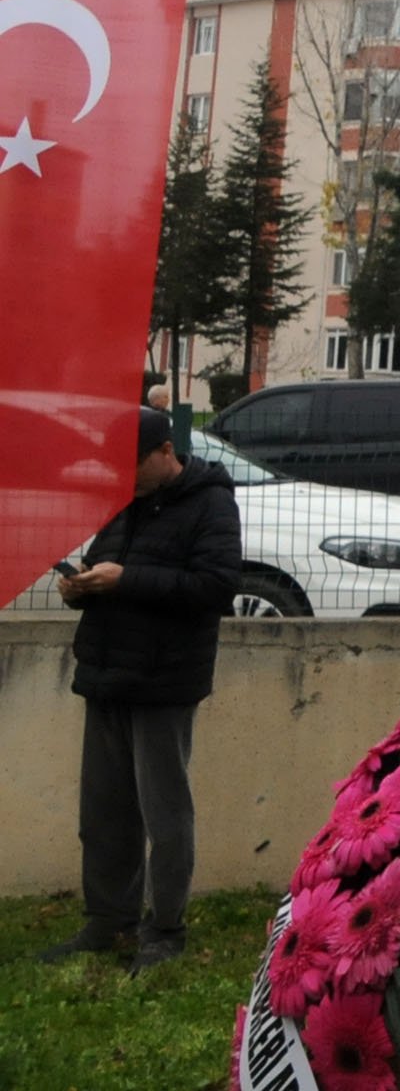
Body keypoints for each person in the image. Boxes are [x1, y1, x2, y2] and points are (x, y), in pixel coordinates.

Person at [41, 405, 240, 971]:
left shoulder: (211, 503)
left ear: (165, 453)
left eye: (132, 466)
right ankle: (107, 920)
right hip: (107, 673)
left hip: (164, 679)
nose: (123, 478)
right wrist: (80, 587)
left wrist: (126, 580)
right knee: (104, 811)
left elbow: (217, 585)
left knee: (164, 812)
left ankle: (164, 930)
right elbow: (108, 566)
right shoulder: (124, 504)